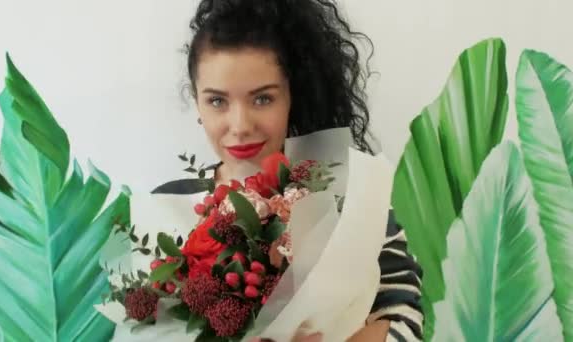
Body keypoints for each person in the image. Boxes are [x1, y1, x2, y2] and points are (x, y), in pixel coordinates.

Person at [158, 0, 423, 340]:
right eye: (217, 101)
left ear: (291, 98)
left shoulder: (350, 198)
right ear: (197, 102)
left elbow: (405, 320)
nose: (240, 125)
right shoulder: (166, 206)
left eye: (263, 98)